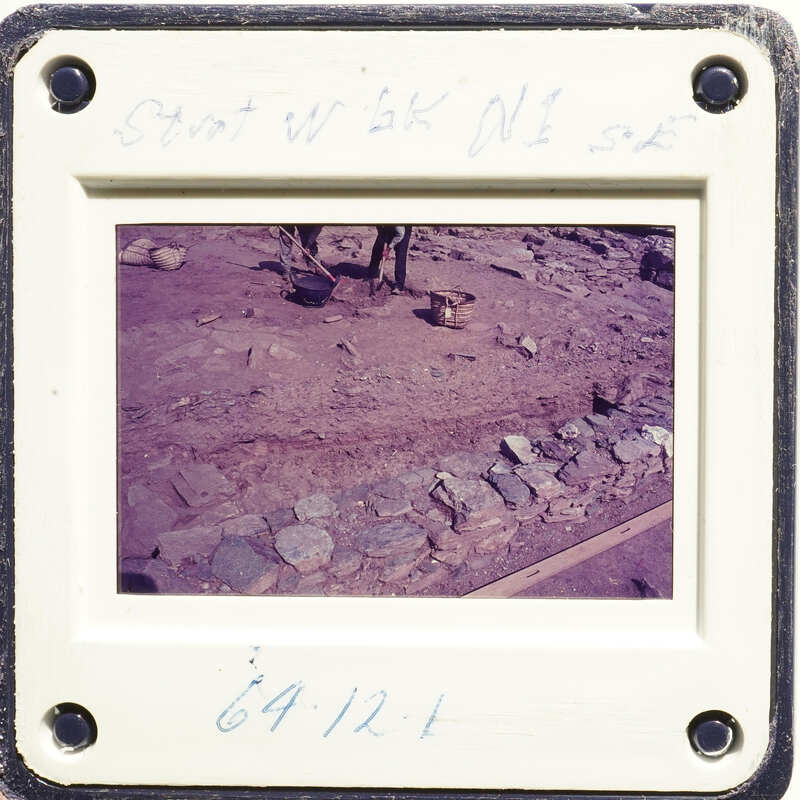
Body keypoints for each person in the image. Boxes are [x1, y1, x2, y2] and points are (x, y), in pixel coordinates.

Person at [368, 225, 412, 294]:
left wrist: (388, 249)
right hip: (387, 228)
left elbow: (400, 235)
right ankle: (371, 274)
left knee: (401, 255)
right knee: (377, 248)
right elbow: (379, 228)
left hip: (403, 229)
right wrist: (383, 236)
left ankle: (399, 285)